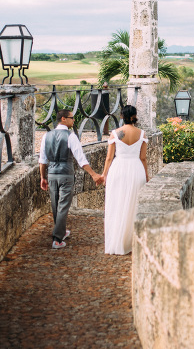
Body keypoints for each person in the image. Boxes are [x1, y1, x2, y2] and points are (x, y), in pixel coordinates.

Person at [39, 109, 104, 249]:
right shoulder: (71, 136)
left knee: (56, 204)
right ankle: (57, 239)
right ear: (63, 119)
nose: (73, 120)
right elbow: (81, 159)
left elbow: (42, 160)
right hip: (66, 174)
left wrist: (42, 177)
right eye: (71, 118)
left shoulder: (46, 136)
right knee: (63, 205)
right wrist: (93, 174)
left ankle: (60, 231)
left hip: (51, 174)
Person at [101, 105, 149, 255]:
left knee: (116, 204)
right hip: (136, 170)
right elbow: (143, 158)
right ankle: (131, 241)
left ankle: (117, 240)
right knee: (134, 205)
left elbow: (109, 157)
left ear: (122, 116)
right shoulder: (142, 134)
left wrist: (104, 175)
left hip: (118, 169)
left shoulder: (115, 134)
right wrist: (147, 176)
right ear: (135, 116)